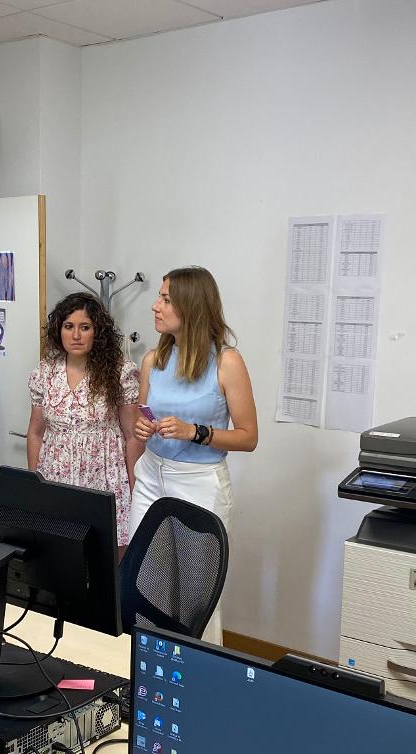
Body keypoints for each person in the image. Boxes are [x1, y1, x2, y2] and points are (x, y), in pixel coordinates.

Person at [131, 266, 258, 643]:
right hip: (152, 477)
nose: (155, 305)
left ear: (191, 307)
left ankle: (203, 682)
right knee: (145, 584)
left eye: (166, 299)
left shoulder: (226, 362)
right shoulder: (153, 360)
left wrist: (195, 432)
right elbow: (144, 410)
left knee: (198, 598)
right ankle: (149, 676)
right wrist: (143, 426)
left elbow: (248, 437)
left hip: (199, 484)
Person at [27, 293, 142, 548]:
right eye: (69, 326)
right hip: (55, 479)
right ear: (60, 330)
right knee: (61, 559)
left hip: (104, 479)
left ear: (97, 332)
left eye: (85, 327)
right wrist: (33, 484)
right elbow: (35, 432)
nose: (76, 335)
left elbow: (133, 434)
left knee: (108, 565)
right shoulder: (44, 373)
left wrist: (136, 489)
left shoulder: (120, 372)